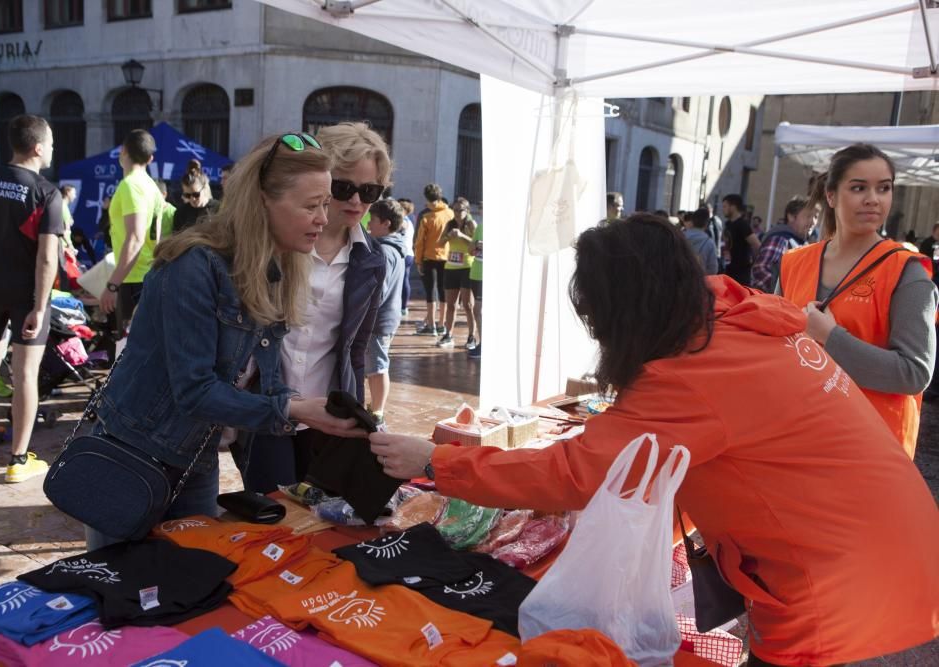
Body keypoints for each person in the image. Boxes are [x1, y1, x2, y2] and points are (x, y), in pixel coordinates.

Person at [369, 215, 939, 667]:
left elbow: (572, 473)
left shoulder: (692, 373)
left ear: (626, 309)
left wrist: (440, 462)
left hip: (830, 571)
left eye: (596, 318)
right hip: (877, 530)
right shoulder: (737, 317)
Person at [86, 132, 366, 550]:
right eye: (312, 206)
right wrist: (293, 407)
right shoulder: (194, 267)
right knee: (120, 588)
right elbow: (194, 391)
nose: (323, 219)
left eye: (325, 204)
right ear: (263, 202)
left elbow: (264, 381)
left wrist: (317, 412)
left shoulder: (275, 270)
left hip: (195, 456)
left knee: (191, 584)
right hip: (133, 454)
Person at [236, 122, 389, 493]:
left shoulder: (372, 260)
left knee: (317, 515)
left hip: (326, 412)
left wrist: (356, 414)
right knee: (274, 510)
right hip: (267, 402)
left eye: (369, 191)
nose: (356, 201)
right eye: (343, 187)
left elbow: (356, 348)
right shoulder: (277, 241)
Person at [780, 143, 938, 459]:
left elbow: (915, 373)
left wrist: (831, 338)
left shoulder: (905, 271)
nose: (873, 199)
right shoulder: (793, 263)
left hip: (870, 453)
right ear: (831, 195)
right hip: (798, 440)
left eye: (884, 188)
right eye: (858, 187)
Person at [0, 115, 64, 482]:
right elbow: (47, 257)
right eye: (51, 143)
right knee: (25, 373)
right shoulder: (46, 192)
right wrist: (40, 307)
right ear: (38, 147)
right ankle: (18, 460)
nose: (53, 149)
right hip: (25, 294)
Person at [98, 129, 165, 336]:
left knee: (128, 352)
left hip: (134, 279)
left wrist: (112, 286)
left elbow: (135, 238)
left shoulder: (131, 186)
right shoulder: (151, 186)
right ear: (150, 158)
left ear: (123, 151)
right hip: (147, 274)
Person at [364, 198, 407, 423]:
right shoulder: (395, 247)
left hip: (378, 319)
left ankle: (378, 411)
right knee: (375, 365)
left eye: (373, 220)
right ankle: (376, 406)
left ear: (386, 223)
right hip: (386, 317)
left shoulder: (384, 250)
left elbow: (378, 291)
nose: (369, 225)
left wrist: (364, 313)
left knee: (377, 366)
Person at [749, 196, 817, 293]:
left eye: (815, 217)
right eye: (808, 216)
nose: (813, 222)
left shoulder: (802, 243)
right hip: (771, 304)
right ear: (791, 216)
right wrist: (783, 293)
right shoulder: (781, 239)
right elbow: (761, 269)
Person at [436, 197, 477, 349]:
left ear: (467, 211)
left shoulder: (471, 224)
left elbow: (476, 243)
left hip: (467, 267)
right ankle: (448, 334)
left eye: (460, 210)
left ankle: (471, 337)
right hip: (451, 268)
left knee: (468, 305)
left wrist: (462, 236)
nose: (457, 213)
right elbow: (439, 243)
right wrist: (448, 237)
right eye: (455, 210)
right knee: (451, 304)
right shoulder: (450, 224)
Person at [413, 183, 453, 336]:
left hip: (429, 258)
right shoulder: (449, 213)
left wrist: (418, 261)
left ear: (427, 198)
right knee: (443, 292)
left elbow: (419, 241)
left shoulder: (426, 215)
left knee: (430, 292)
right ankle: (442, 324)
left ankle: (431, 326)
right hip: (447, 258)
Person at [721, 194, 759, 286]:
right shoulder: (728, 224)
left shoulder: (742, 225)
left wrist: (754, 264)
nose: (723, 209)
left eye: (725, 206)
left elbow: (757, 244)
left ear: (733, 207)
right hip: (729, 270)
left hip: (740, 274)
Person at [172, 159, 220, 234]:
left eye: (196, 194)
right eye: (187, 195)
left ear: (204, 188)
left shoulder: (219, 208)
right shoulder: (181, 213)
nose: (192, 199)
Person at [683, 207, 718, 275]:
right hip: (699, 280)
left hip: (680, 279)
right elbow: (713, 269)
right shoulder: (709, 242)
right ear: (707, 223)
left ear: (692, 221)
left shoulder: (680, 236)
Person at [468, 206, 483, 359]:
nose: (481, 212)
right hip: (476, 273)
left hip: (487, 276)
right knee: (477, 311)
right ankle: (481, 343)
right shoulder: (481, 226)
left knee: (478, 310)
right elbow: (470, 250)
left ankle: (484, 344)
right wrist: (476, 245)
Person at [397, 197, 415, 318]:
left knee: (401, 281)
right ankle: (403, 307)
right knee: (405, 280)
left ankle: (402, 307)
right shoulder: (409, 221)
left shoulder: (402, 221)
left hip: (403, 254)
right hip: (409, 254)